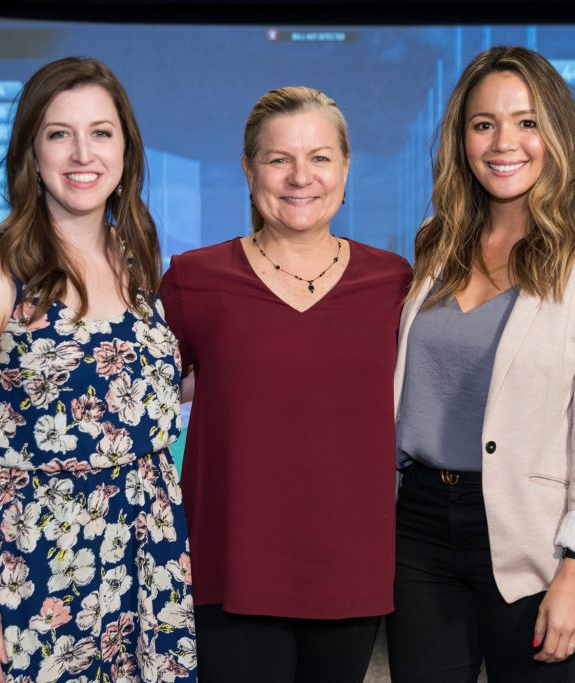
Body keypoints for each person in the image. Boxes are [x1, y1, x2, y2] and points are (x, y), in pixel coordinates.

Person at [0, 57, 196, 683]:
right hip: (35, 570)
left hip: (145, 568)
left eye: (101, 132)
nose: (83, 153)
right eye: (59, 133)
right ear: (30, 152)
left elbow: (142, 393)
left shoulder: (137, 262)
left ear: (126, 149)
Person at [386, 46, 575, 682]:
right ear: (462, 139)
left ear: (555, 133)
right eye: (484, 124)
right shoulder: (435, 245)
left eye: (527, 122)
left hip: (532, 534)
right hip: (415, 524)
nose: (505, 142)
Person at [159, 87, 411, 682]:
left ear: (346, 169)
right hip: (232, 564)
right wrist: (9, 402)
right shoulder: (194, 278)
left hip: (351, 566)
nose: (301, 177)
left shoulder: (394, 281)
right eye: (279, 159)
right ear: (249, 170)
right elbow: (145, 384)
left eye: (320, 157)